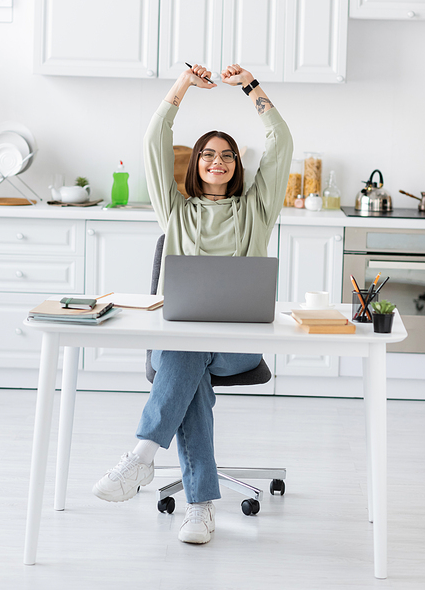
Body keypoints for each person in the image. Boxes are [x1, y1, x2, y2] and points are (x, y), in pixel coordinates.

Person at [93, 64, 293, 544]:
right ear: (195, 163)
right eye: (207, 154)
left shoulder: (256, 212)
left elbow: (280, 139)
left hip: (237, 349)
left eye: (226, 155)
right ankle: (199, 507)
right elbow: (153, 140)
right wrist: (182, 86)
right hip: (183, 347)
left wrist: (250, 88)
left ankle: (142, 456)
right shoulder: (175, 209)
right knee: (188, 362)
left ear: (236, 165)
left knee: (187, 357)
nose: (217, 161)